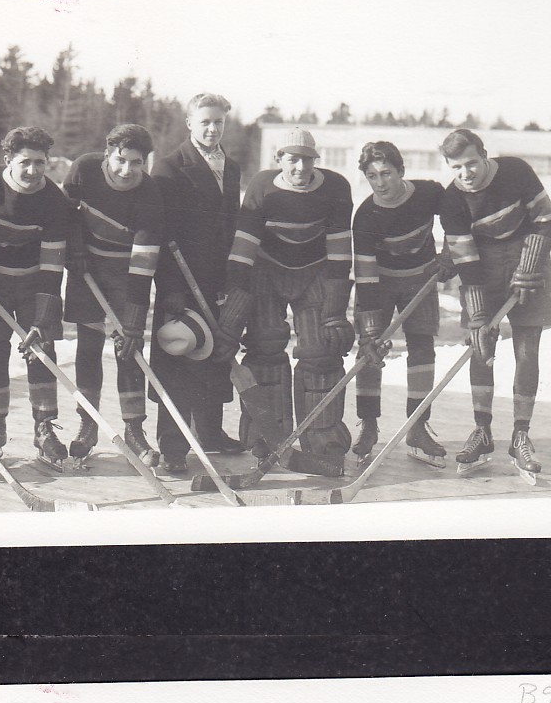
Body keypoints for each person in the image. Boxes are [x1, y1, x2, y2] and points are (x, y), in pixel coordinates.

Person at [213, 126, 354, 477]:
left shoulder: (336, 188)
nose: (300, 168)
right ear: (279, 160)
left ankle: (323, 442)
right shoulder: (262, 187)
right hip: (268, 272)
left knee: (322, 351)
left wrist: (335, 312)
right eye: (292, 160)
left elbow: (339, 256)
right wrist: (231, 320)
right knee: (265, 348)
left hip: (315, 272)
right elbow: (243, 255)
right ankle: (266, 438)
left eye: (307, 160)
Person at [439, 128, 551, 479]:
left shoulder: (516, 171)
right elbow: (467, 262)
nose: (466, 174)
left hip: (528, 259)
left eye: (472, 163)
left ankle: (521, 434)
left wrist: (529, 265)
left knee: (526, 349)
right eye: (456, 167)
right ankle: (482, 432)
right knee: (480, 347)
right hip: (483, 266)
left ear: (484, 154)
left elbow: (545, 218)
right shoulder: (451, 200)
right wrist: (477, 316)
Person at [0, 125, 71, 469]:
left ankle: (43, 428)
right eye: (25, 162)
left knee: (41, 349)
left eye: (40, 162)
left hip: (32, 285)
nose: (33, 170)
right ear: (8, 159)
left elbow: (53, 265)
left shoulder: (54, 199)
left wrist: (42, 318)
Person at [148, 92, 245, 475]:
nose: (211, 128)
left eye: (218, 121)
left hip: (216, 278)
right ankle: (172, 445)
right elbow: (159, 233)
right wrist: (169, 287)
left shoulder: (232, 167)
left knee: (214, 356)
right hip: (180, 281)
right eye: (204, 121)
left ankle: (210, 432)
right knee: (178, 359)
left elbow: (230, 223)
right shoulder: (170, 168)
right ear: (189, 123)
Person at [60, 124, 164, 466]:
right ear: (107, 154)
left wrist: (133, 322)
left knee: (129, 350)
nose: (126, 170)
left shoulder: (149, 193)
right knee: (88, 346)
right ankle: (87, 424)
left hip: (126, 272)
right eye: (121, 160)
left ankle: (134, 429)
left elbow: (144, 263)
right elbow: (65, 215)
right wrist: (75, 247)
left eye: (136, 163)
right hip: (85, 266)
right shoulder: (84, 169)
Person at [352, 140, 453, 467]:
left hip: (420, 279)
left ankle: (418, 427)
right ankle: (368, 424)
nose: (380, 183)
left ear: (401, 171)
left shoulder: (429, 193)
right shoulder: (366, 215)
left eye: (386, 173)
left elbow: (457, 217)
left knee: (422, 348)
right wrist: (368, 330)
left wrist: (450, 252)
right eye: (372, 176)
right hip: (379, 282)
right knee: (370, 350)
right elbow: (365, 275)